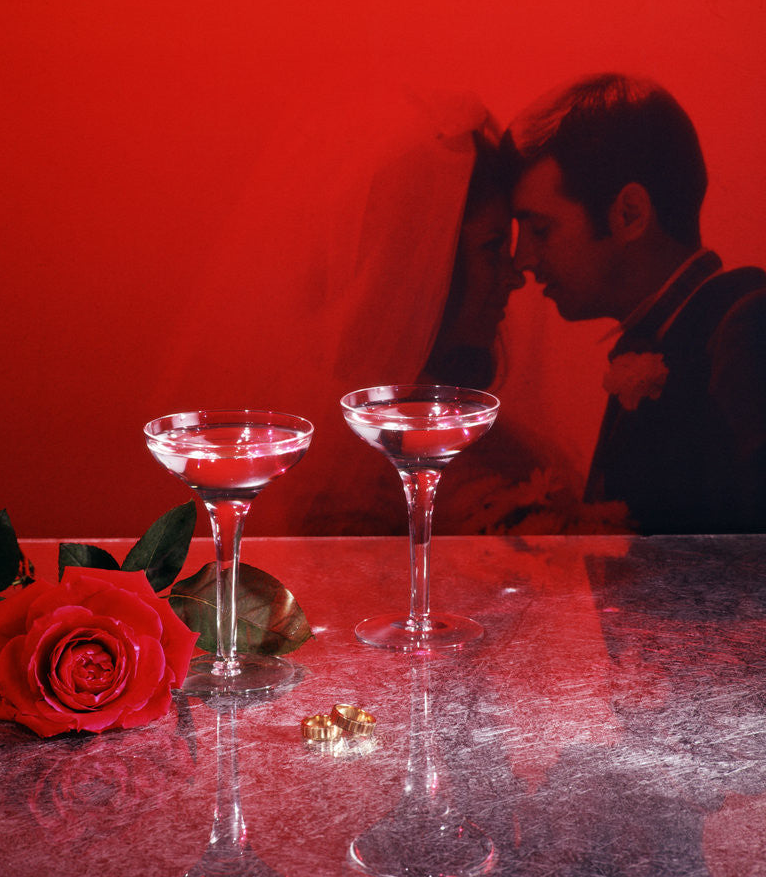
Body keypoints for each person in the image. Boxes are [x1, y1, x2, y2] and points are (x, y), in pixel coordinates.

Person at [153, 91, 526, 534]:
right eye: (491, 248)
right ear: (429, 267)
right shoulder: (354, 469)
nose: (515, 276)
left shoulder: (472, 430)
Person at [505, 73, 766, 533]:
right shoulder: (656, 335)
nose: (523, 259)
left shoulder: (747, 325)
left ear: (630, 214)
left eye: (541, 229)